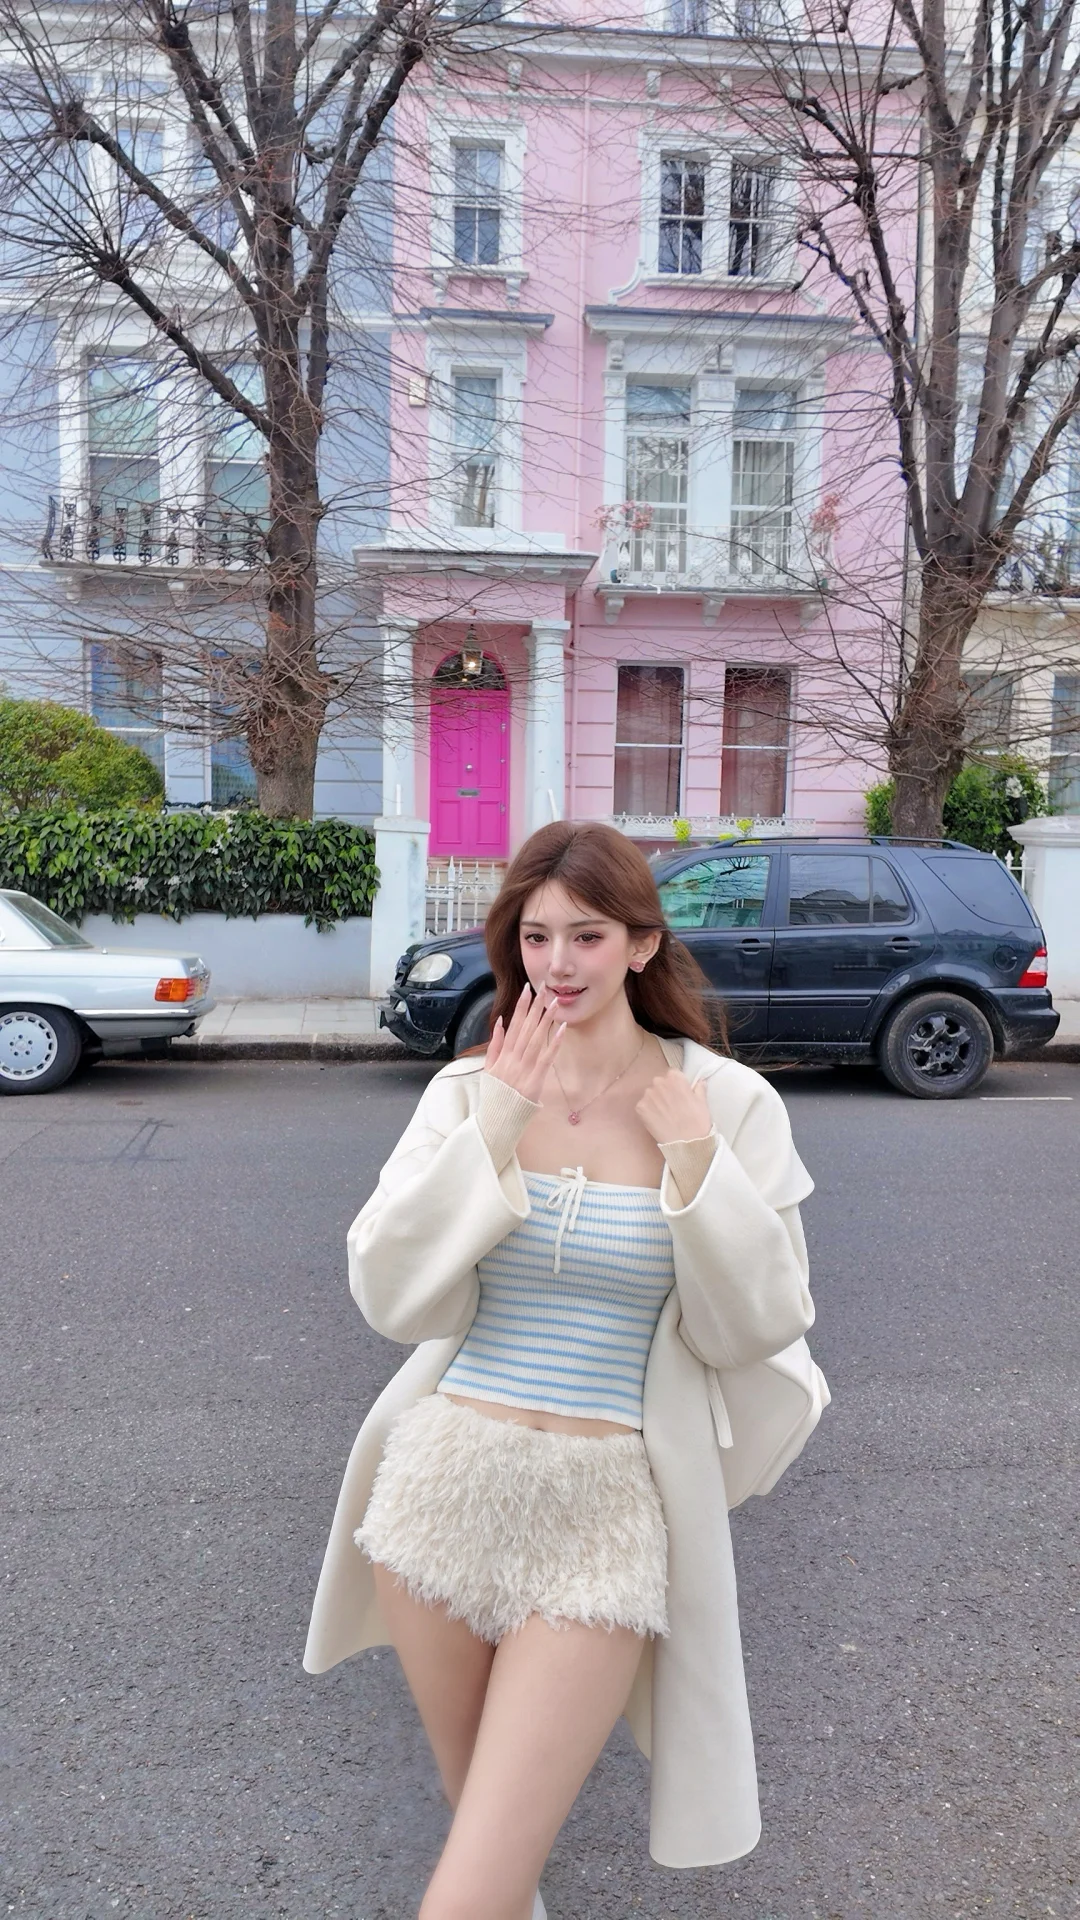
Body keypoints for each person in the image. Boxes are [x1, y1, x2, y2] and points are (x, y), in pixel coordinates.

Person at [304, 821, 829, 1920]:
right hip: (442, 1485)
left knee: (475, 1880)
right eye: (535, 936)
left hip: (603, 1512)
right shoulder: (469, 1090)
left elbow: (760, 1323)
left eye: (587, 935)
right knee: (493, 1855)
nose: (558, 963)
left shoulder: (727, 1104)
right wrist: (495, 1120)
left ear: (642, 943)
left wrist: (696, 1163)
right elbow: (388, 1293)